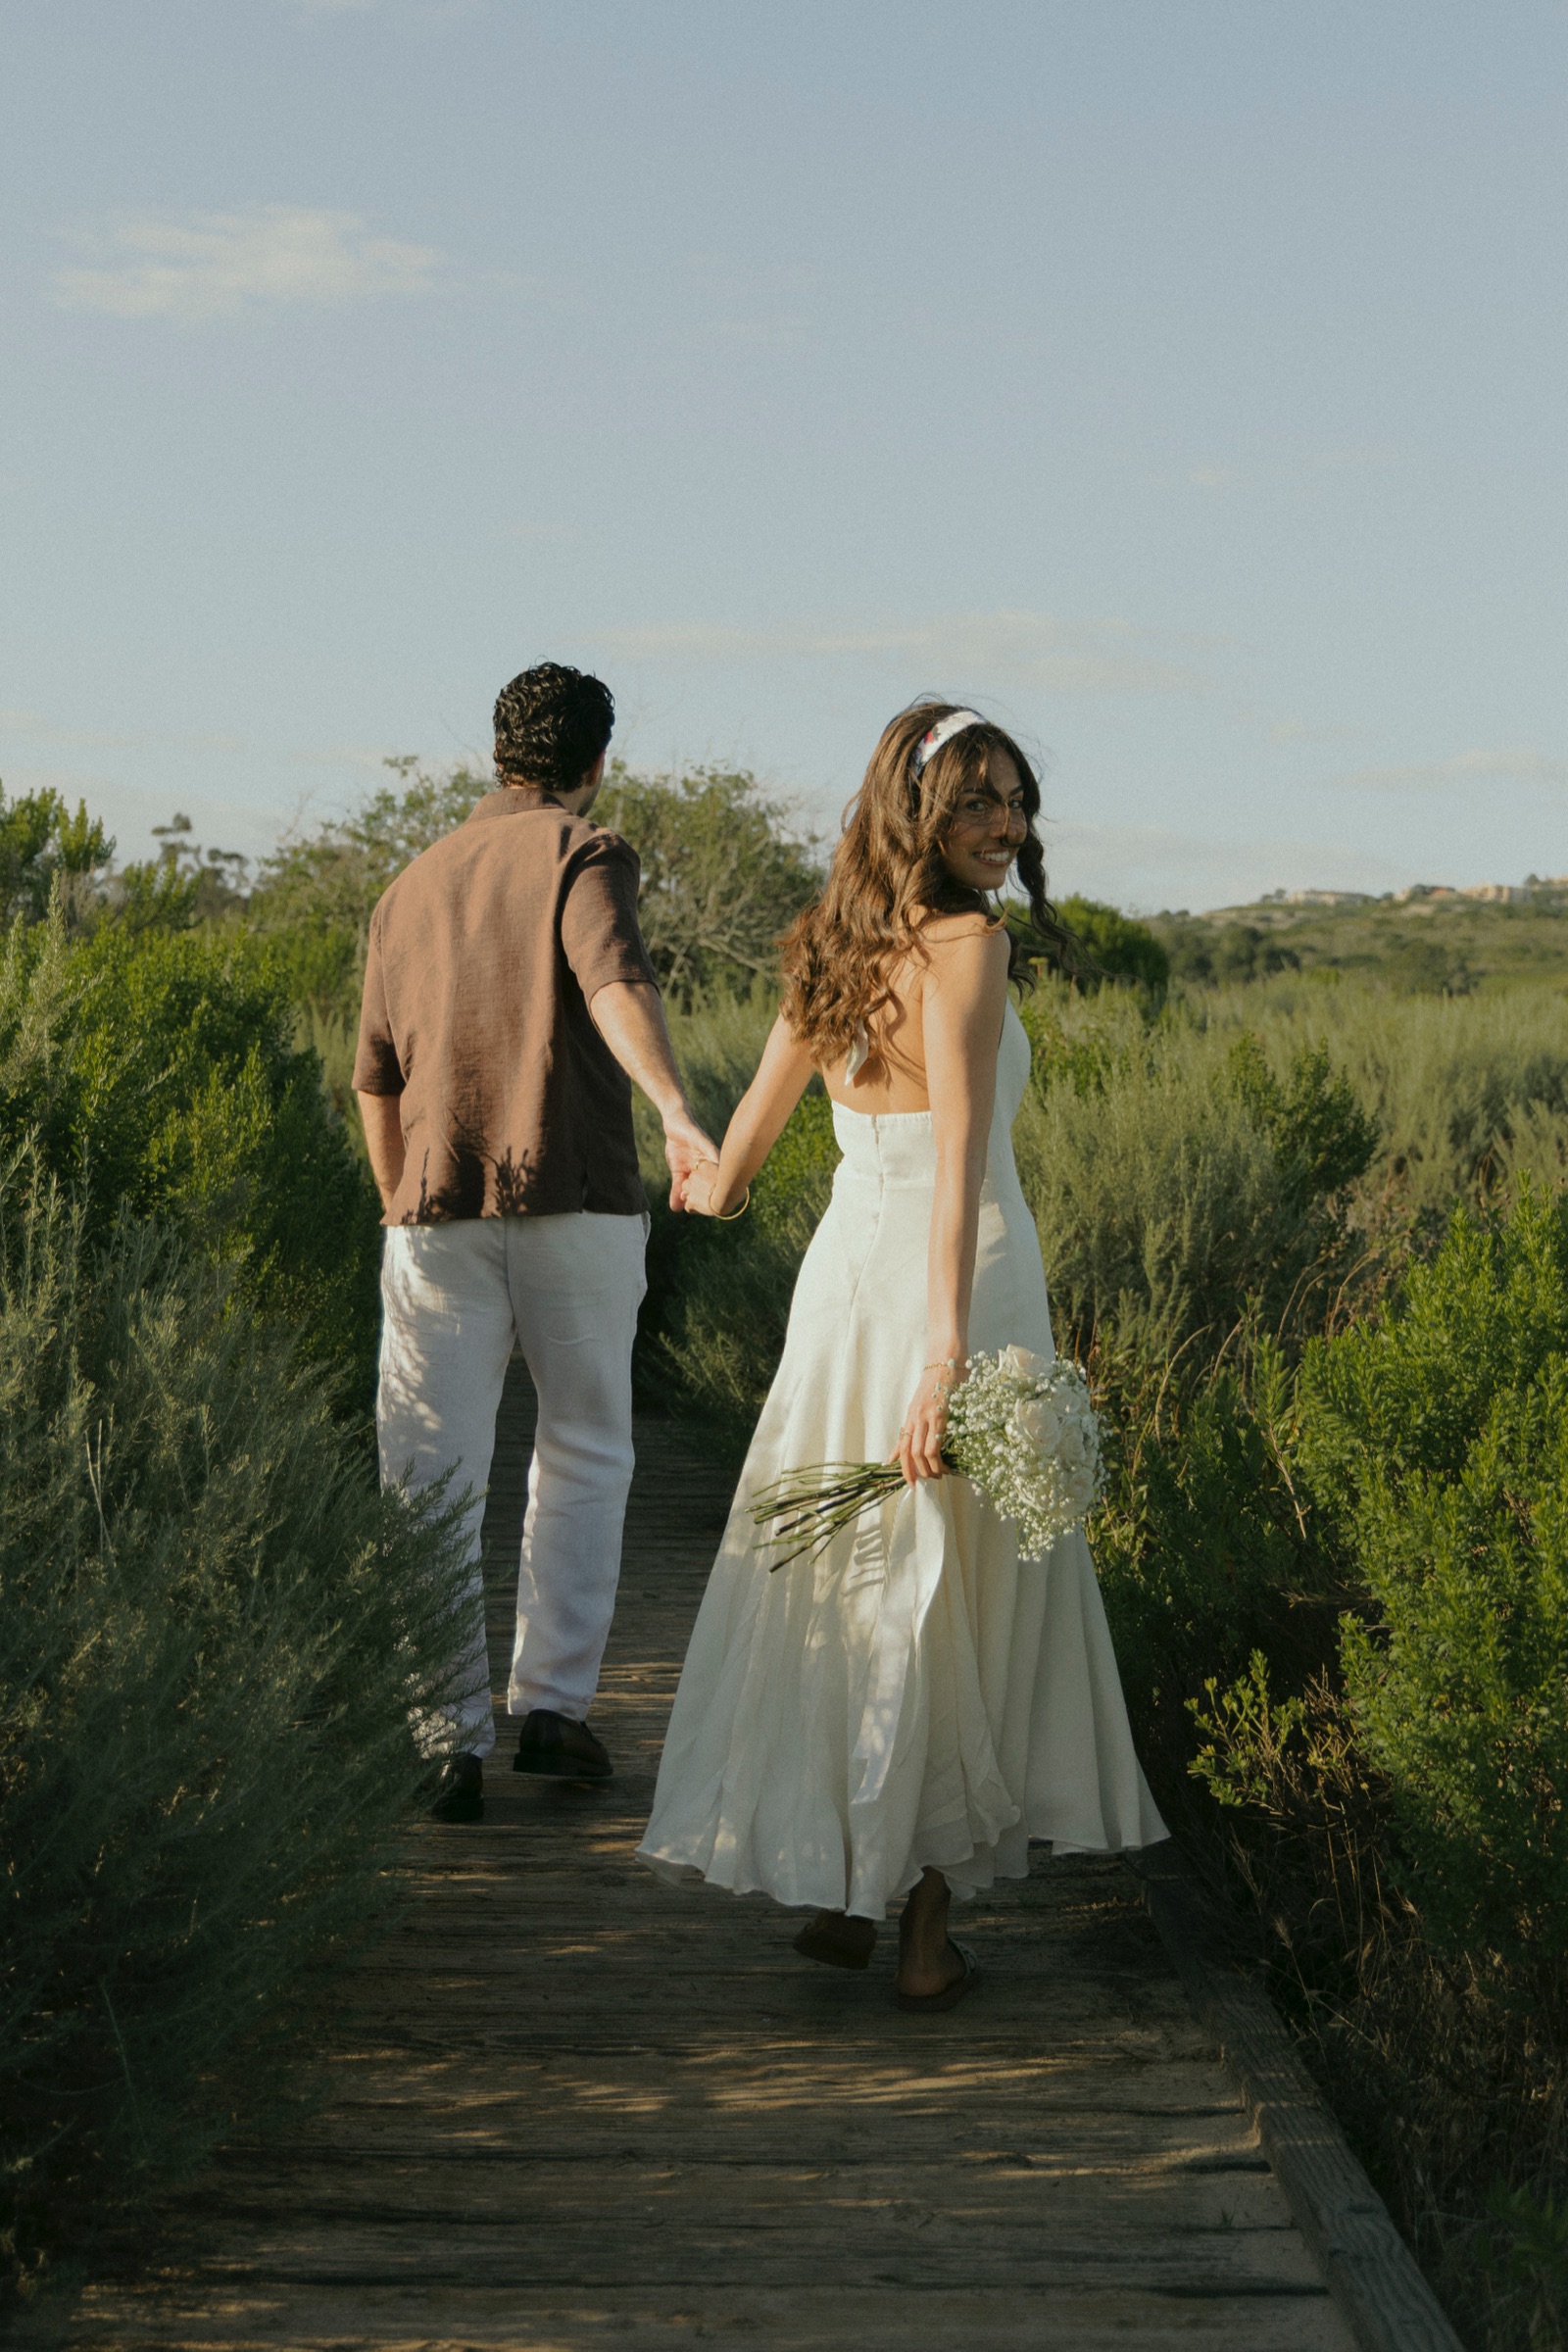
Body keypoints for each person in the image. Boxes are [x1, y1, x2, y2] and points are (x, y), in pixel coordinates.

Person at [637, 701, 1166, 2007]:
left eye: (1016, 802)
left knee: (862, 1576)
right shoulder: (970, 948)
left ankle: (851, 1881)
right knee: (952, 1586)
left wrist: (682, 1151)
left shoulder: (831, 947)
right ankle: (923, 1933)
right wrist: (946, 1358)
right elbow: (963, 1171)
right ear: (914, 814)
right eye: (977, 802)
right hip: (957, 1288)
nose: (1005, 828)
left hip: (844, 1290)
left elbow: (733, 1172)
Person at [354, 662, 715, 1823]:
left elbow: (373, 1078)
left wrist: (398, 1192)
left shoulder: (408, 886)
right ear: (596, 759)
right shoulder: (584, 851)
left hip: (433, 1211)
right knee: (585, 1449)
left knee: (426, 1476)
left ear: (496, 753)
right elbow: (612, 978)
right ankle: (552, 1712)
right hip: (575, 1198)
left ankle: (441, 1741)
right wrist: (672, 1107)